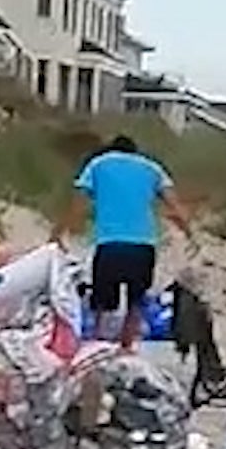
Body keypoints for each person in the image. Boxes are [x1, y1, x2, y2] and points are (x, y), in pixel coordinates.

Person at [50, 135, 194, 349]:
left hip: (110, 244)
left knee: (101, 302)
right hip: (143, 245)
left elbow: (78, 203)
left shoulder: (98, 164)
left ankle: (97, 345)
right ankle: (126, 348)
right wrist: (190, 233)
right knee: (136, 301)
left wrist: (58, 233)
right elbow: (175, 205)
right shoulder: (152, 168)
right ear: (134, 152)